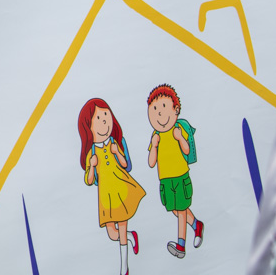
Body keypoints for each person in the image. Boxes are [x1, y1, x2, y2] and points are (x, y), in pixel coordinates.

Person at [78, 97, 144, 275]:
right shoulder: (92, 152)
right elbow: (90, 180)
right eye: (98, 118)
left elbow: (125, 165)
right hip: (106, 196)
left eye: (106, 115)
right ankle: (131, 236)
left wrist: (116, 152)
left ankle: (124, 268)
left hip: (121, 189)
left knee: (121, 231)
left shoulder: (114, 144)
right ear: (88, 127)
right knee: (112, 233)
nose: (104, 121)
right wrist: (91, 165)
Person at [146, 84, 203, 260]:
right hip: (165, 180)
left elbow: (186, 150)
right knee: (177, 210)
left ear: (175, 109)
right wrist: (154, 145)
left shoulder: (177, 130)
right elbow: (151, 162)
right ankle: (196, 225)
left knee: (181, 209)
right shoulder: (156, 135)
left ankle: (181, 245)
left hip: (180, 176)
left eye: (163, 108)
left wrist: (179, 138)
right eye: (154, 110)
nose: (159, 114)